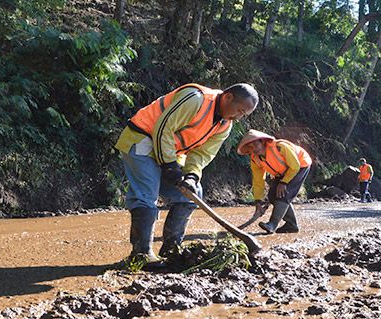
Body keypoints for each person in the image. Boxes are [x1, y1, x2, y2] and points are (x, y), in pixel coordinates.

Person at [115, 82, 259, 264]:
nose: (239, 117)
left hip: (168, 153)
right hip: (142, 140)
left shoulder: (224, 125)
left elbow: (203, 154)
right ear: (228, 97)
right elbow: (163, 128)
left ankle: (171, 250)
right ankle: (141, 255)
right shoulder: (196, 99)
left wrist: (191, 175)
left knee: (192, 194)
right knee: (146, 196)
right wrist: (168, 164)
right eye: (239, 110)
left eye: (244, 115)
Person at [236, 129, 312, 234]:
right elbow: (258, 181)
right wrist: (258, 202)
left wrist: (283, 182)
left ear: (262, 141)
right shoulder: (255, 159)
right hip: (282, 172)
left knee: (283, 194)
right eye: (250, 148)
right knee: (272, 195)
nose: (253, 149)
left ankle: (272, 224)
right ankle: (291, 225)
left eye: (255, 145)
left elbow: (295, 166)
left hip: (300, 165)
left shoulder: (280, 147)